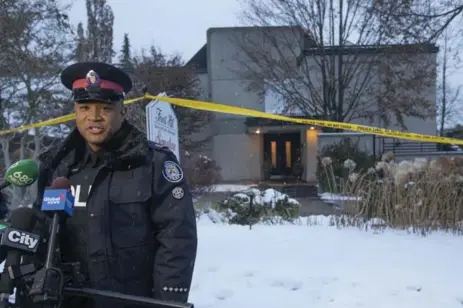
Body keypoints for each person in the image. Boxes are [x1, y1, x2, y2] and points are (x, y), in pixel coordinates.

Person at [30, 62, 198, 308]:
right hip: (69, 300)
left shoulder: (153, 164)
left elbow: (177, 239)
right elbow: (40, 230)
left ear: (122, 111)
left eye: (105, 108)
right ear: (75, 111)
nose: (94, 117)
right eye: (84, 107)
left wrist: (167, 302)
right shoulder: (57, 166)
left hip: (132, 301)